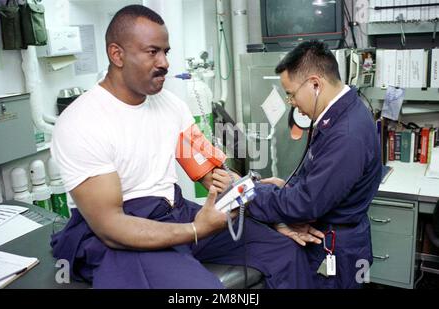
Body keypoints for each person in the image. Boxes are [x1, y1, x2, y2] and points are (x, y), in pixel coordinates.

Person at [50, 5, 312, 289]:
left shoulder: (171, 106)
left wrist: (253, 191)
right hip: (126, 232)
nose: (164, 62)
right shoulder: (81, 122)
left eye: (166, 52)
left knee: (286, 253)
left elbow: (209, 171)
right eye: (153, 52)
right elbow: (111, 227)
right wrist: (197, 229)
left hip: (175, 211)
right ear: (117, 54)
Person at [248, 40, 382, 289]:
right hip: (334, 237)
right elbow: (314, 174)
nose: (292, 103)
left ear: (315, 84)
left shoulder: (346, 134)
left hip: (336, 249)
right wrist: (285, 187)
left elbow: (306, 204)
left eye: (291, 94)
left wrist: (250, 195)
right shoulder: (339, 114)